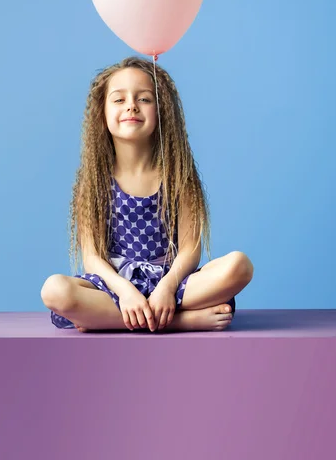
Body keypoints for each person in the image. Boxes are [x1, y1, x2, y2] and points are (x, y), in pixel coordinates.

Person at [40, 56, 254, 332]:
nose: (131, 105)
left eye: (144, 99)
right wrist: (125, 292)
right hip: (115, 286)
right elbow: (92, 257)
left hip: (172, 282)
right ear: (101, 115)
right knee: (55, 290)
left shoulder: (178, 174)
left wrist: (167, 287)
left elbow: (190, 249)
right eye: (119, 99)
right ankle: (179, 321)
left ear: (161, 110)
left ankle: (106, 320)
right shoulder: (93, 181)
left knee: (240, 266)